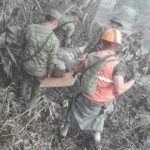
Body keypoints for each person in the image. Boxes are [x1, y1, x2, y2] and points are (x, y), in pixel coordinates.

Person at [60, 28, 141, 149]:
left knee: (73, 107)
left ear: (102, 43)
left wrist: (74, 74)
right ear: (118, 47)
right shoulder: (118, 64)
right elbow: (119, 90)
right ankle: (96, 139)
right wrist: (133, 80)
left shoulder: (92, 56)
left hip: (85, 97)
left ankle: (64, 130)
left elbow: (78, 69)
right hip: (101, 104)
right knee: (101, 116)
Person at [21, 9, 61, 106]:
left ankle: (20, 97)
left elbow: (22, 45)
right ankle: (28, 108)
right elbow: (52, 59)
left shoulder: (30, 28)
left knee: (25, 79)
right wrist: (49, 72)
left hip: (26, 64)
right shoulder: (54, 39)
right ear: (55, 23)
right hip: (40, 71)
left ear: (45, 18)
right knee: (36, 90)